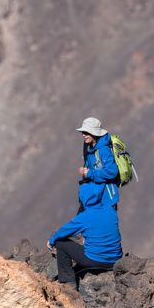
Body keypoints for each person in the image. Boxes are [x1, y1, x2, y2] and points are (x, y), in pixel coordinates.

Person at [47, 117, 123, 287]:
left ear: (95, 132)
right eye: (82, 132)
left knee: (80, 226)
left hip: (104, 196)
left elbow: (111, 172)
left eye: (87, 132)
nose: (83, 135)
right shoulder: (89, 146)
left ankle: (70, 282)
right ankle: (104, 255)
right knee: (101, 225)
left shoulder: (103, 149)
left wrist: (89, 175)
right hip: (98, 199)